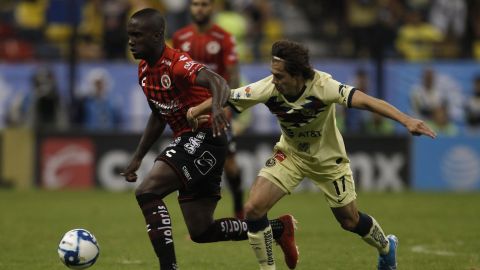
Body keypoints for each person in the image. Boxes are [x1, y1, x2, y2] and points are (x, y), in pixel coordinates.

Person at [188, 40, 437, 269]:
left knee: (349, 221)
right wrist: (196, 110)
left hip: (328, 161)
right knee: (253, 208)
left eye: (279, 76)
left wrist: (406, 120)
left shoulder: (323, 86)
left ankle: (386, 246)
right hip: (291, 155)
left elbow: (366, 101)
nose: (273, 80)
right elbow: (228, 96)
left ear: (297, 76)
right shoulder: (268, 88)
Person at [121, 9, 297, 270]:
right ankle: (279, 228)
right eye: (129, 35)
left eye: (137, 35)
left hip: (205, 137)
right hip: (194, 141)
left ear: (157, 35)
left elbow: (219, 83)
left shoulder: (177, 63)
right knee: (202, 231)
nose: (131, 41)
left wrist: (215, 108)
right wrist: (137, 158)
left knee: (147, 192)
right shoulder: (144, 71)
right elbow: (158, 115)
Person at [172, 0, 245, 219]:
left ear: (212, 8)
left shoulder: (224, 38)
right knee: (191, 167)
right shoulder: (180, 37)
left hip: (218, 111)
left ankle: (240, 211)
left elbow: (232, 80)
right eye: (195, 4)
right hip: (190, 112)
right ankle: (200, 221)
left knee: (230, 168)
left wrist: (221, 105)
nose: (199, 9)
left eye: (204, 4)